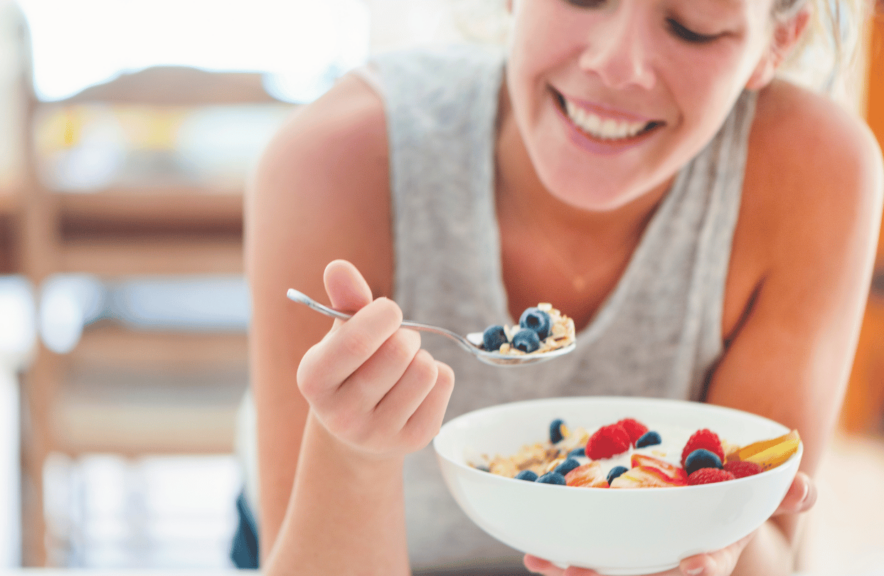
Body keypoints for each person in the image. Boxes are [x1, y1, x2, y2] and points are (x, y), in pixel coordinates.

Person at [242, 0, 884, 574]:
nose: (617, 64)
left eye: (692, 27)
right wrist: (352, 456)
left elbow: (766, 547)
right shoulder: (336, 161)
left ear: (778, 42)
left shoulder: (815, 174)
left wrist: (711, 545)